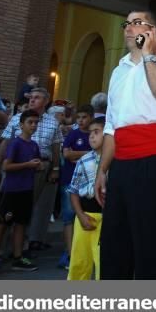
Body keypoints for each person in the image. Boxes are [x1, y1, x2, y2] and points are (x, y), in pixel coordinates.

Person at [95, 10, 156, 279]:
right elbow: (112, 125)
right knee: (115, 246)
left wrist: (149, 55)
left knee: (153, 247)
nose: (128, 28)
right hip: (121, 165)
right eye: (127, 23)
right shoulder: (118, 71)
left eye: (137, 23)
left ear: (153, 32)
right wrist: (103, 170)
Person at [0, 87, 62, 254]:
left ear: (46, 101)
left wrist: (55, 168)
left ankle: (25, 243)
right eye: (31, 97)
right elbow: (5, 143)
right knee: (8, 206)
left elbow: (55, 147)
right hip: (16, 167)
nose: (32, 100)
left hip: (41, 166)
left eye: (37, 97)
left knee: (30, 207)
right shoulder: (17, 119)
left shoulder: (53, 122)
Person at [0, 110, 41, 279]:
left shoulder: (34, 145)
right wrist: (28, 164)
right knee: (1, 223)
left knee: (21, 223)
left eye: (36, 122)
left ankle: (17, 257)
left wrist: (37, 166)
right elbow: (7, 166)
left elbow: (34, 164)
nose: (34, 125)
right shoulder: (15, 143)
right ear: (21, 124)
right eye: (30, 122)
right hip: (11, 189)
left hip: (26, 189)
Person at [67, 118, 105, 281]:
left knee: (103, 262)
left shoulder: (116, 161)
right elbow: (73, 190)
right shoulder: (84, 160)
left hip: (105, 216)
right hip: (85, 214)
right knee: (79, 261)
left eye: (97, 132)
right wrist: (80, 215)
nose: (91, 137)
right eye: (90, 133)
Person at [59, 104, 94, 270]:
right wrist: (88, 152)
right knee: (69, 217)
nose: (81, 121)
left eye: (84, 117)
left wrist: (78, 154)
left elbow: (98, 151)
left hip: (88, 182)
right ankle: (69, 252)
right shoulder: (73, 134)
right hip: (70, 179)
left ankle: (84, 253)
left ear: (91, 118)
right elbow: (66, 154)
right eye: (78, 117)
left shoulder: (95, 134)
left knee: (86, 215)